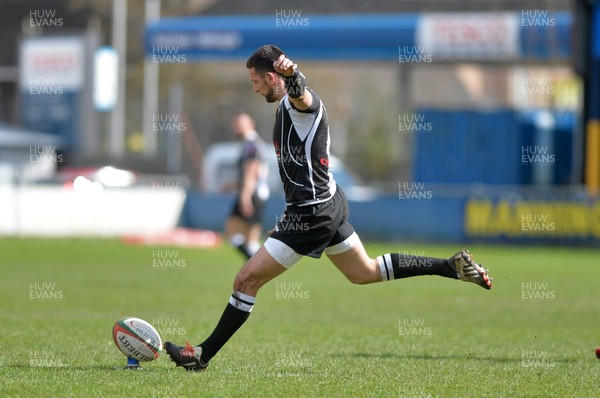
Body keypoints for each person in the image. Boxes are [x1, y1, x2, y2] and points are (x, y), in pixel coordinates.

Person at [164, 45, 493, 371]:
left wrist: (293, 75)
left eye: (256, 80)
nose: (253, 87)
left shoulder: (298, 105)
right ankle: (450, 267)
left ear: (272, 77)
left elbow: (301, 93)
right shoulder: (284, 108)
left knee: (245, 280)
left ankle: (201, 355)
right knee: (364, 272)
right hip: (324, 205)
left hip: (311, 214)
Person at [224, 113, 270, 260]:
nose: (236, 127)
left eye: (240, 124)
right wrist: (234, 184)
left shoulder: (251, 145)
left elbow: (251, 173)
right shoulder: (249, 144)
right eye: (235, 124)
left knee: (244, 238)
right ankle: (256, 266)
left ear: (251, 125)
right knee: (243, 239)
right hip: (252, 193)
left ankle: (259, 266)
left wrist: (245, 197)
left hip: (252, 194)